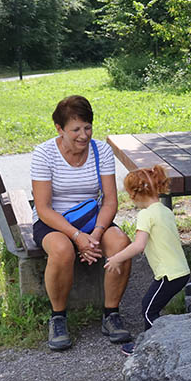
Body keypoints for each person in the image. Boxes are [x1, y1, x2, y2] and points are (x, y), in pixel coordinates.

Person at [31, 95, 132, 351]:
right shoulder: (44, 154)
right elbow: (42, 207)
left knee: (121, 243)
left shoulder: (101, 150)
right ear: (59, 129)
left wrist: (95, 234)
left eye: (87, 127)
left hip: (92, 219)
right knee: (62, 250)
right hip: (54, 220)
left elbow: (110, 201)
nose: (83, 135)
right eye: (75, 129)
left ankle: (111, 314)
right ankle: (58, 318)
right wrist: (77, 237)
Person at [105, 165, 190, 356]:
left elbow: (138, 245)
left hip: (168, 275)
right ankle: (159, 342)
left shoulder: (145, 215)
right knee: (152, 307)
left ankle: (152, 347)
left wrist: (116, 259)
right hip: (181, 272)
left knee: (148, 310)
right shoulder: (165, 211)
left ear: (134, 194)